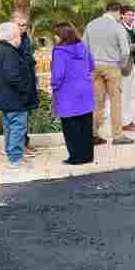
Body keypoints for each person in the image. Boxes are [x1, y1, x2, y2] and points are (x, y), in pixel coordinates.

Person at [83, 1, 134, 146]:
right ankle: (117, 136)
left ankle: (93, 134)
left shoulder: (91, 25)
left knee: (97, 102)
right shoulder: (117, 27)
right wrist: (120, 65)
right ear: (117, 12)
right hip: (112, 67)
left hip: (94, 67)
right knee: (115, 102)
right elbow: (125, 51)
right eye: (120, 14)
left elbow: (84, 47)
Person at [0, 22, 38, 168]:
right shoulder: (9, 52)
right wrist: (25, 89)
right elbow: (13, 76)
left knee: (10, 128)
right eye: (18, 35)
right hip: (14, 98)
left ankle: (13, 155)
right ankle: (15, 158)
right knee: (18, 127)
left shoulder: (0, 49)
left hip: (6, 98)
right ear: (12, 37)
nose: (20, 38)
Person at [50, 23, 96, 165]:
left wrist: (53, 85)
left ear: (61, 36)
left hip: (67, 93)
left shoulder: (59, 52)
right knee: (86, 125)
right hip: (85, 90)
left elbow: (58, 75)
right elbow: (92, 66)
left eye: (55, 35)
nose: (54, 38)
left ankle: (76, 157)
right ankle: (87, 156)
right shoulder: (83, 47)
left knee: (70, 127)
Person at [12, 10, 39, 154]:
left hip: (28, 80)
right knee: (17, 117)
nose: (23, 27)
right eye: (20, 25)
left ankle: (24, 142)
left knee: (24, 115)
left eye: (25, 25)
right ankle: (18, 146)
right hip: (18, 82)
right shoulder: (10, 41)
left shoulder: (25, 38)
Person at [119, 5, 135, 133]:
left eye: (132, 15)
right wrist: (134, 45)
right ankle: (125, 122)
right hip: (125, 67)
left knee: (128, 96)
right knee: (124, 96)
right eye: (128, 14)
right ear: (122, 15)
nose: (131, 17)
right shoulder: (120, 29)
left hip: (132, 65)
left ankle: (127, 120)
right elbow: (121, 48)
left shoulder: (131, 27)